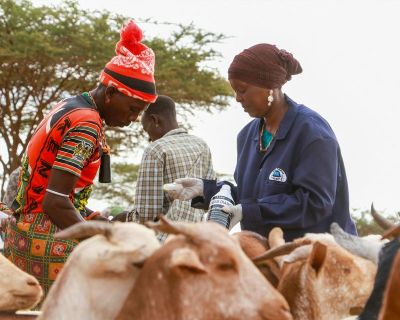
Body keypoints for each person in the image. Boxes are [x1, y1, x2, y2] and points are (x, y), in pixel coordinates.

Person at [3, 20, 157, 296]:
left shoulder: (70, 106)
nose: (132, 120)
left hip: (23, 230)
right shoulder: (86, 124)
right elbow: (55, 202)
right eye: (133, 109)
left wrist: (95, 220)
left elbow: (60, 195)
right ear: (110, 93)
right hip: (47, 238)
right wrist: (103, 238)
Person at [164, 43, 357, 241]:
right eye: (235, 91)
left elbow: (315, 204)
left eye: (243, 90)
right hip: (267, 250)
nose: (238, 98)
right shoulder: (247, 136)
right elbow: (254, 197)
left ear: (271, 86)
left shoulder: (313, 134)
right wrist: (207, 190)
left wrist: (248, 211)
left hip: (318, 254)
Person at [126, 95, 216, 241]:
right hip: (195, 238)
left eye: (146, 130)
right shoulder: (202, 145)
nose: (149, 137)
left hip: (163, 241)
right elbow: (210, 196)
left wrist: (126, 218)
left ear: (155, 120)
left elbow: (147, 214)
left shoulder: (155, 150)